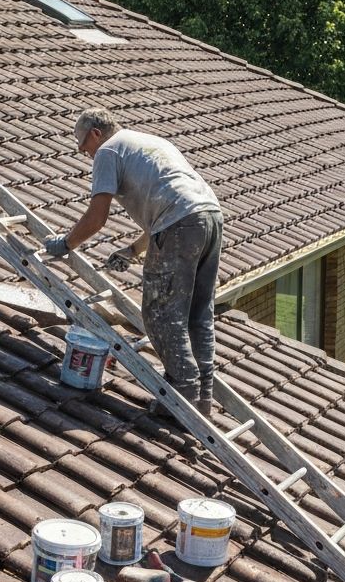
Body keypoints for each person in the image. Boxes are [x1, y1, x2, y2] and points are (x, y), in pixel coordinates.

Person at [44, 107, 223, 417]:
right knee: (198, 313)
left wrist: (65, 243)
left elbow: (97, 217)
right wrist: (132, 251)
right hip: (210, 219)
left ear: (96, 134)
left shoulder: (108, 151)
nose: (84, 153)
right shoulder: (147, 141)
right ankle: (202, 400)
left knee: (162, 313)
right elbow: (174, 207)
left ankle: (181, 396)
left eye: (83, 144)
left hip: (180, 224)